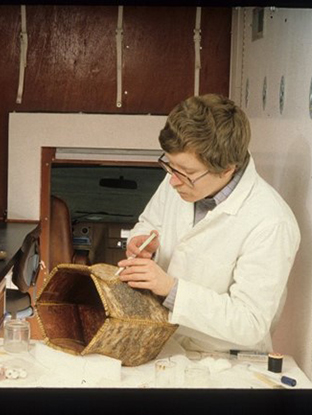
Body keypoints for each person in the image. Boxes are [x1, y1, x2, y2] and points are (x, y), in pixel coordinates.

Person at [117, 94, 300, 353]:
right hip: (165, 346)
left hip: (224, 364)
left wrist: (171, 289)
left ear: (226, 169)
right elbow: (149, 221)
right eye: (169, 166)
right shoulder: (182, 178)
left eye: (186, 173)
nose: (172, 181)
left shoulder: (271, 222)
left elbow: (250, 322)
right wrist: (144, 242)